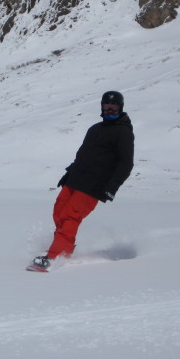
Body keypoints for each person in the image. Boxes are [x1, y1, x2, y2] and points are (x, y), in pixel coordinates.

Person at [29, 91, 135, 271]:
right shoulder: (95, 129)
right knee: (59, 212)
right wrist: (69, 174)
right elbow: (83, 156)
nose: (109, 110)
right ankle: (62, 247)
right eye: (106, 107)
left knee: (71, 216)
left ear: (120, 107)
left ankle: (55, 256)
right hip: (76, 179)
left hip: (94, 185)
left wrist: (111, 188)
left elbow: (126, 164)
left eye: (113, 107)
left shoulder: (123, 132)